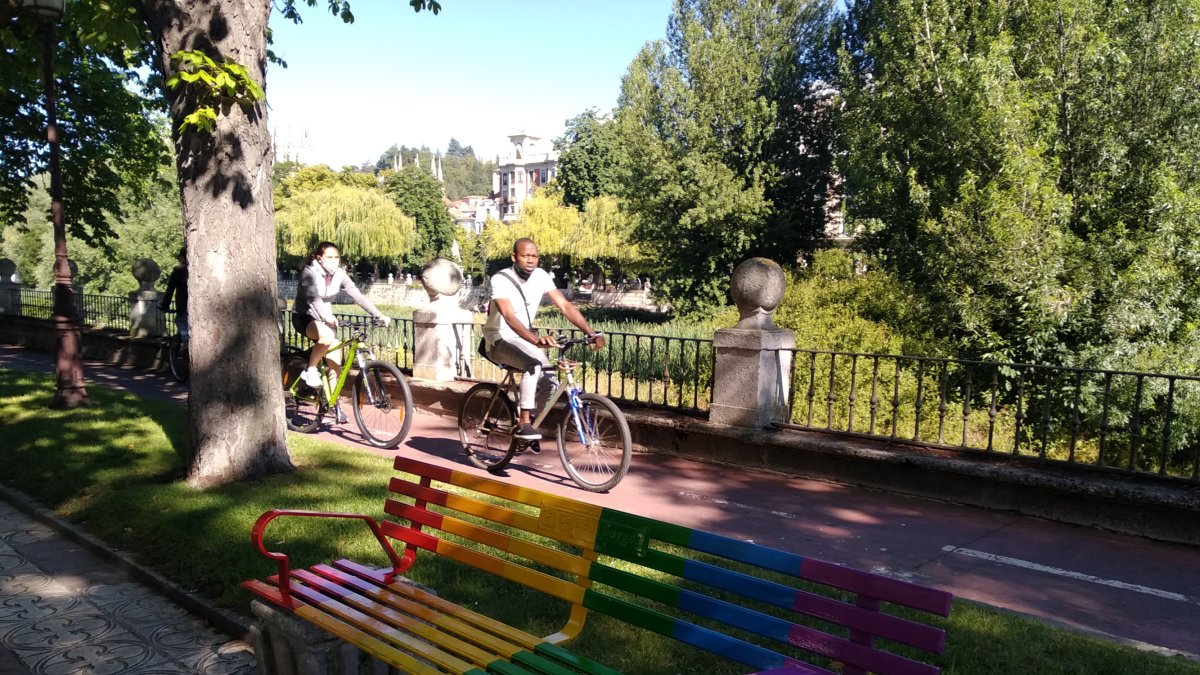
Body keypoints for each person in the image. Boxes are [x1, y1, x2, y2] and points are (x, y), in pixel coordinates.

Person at [483, 237, 605, 441]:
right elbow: (509, 316)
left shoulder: (541, 276)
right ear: (514, 257)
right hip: (499, 339)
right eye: (525, 255)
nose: (530, 260)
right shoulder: (500, 279)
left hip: (522, 340)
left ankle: (529, 420)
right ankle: (524, 423)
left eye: (534, 256)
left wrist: (591, 333)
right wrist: (536, 340)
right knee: (534, 364)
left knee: (550, 382)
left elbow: (565, 306)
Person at [293, 242, 391, 403]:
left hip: (325, 319)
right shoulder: (309, 273)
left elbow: (356, 295)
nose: (334, 260)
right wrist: (326, 317)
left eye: (336, 257)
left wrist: (378, 314)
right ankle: (310, 370)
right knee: (326, 337)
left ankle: (332, 403)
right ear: (319, 258)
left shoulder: (339, 274)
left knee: (335, 364)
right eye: (329, 257)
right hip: (304, 316)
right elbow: (313, 298)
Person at [158, 246, 188, 341]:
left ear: (182, 257)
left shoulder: (179, 271)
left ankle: (185, 347)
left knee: (182, 325)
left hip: (184, 308)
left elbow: (170, 289)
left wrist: (164, 305)